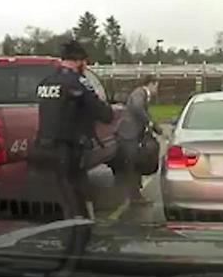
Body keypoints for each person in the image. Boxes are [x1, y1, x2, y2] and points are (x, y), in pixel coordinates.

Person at [33, 40, 113, 219]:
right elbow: (105, 115)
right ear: (79, 61)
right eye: (85, 62)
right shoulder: (78, 82)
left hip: (45, 148)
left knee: (64, 192)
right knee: (78, 198)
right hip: (70, 150)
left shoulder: (46, 82)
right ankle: (80, 232)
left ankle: (68, 227)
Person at [116, 75, 162, 205]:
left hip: (131, 134)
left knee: (133, 164)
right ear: (151, 84)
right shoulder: (139, 93)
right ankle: (134, 196)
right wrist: (151, 123)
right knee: (132, 165)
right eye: (156, 86)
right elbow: (137, 108)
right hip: (129, 135)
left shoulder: (140, 94)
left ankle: (134, 194)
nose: (157, 90)